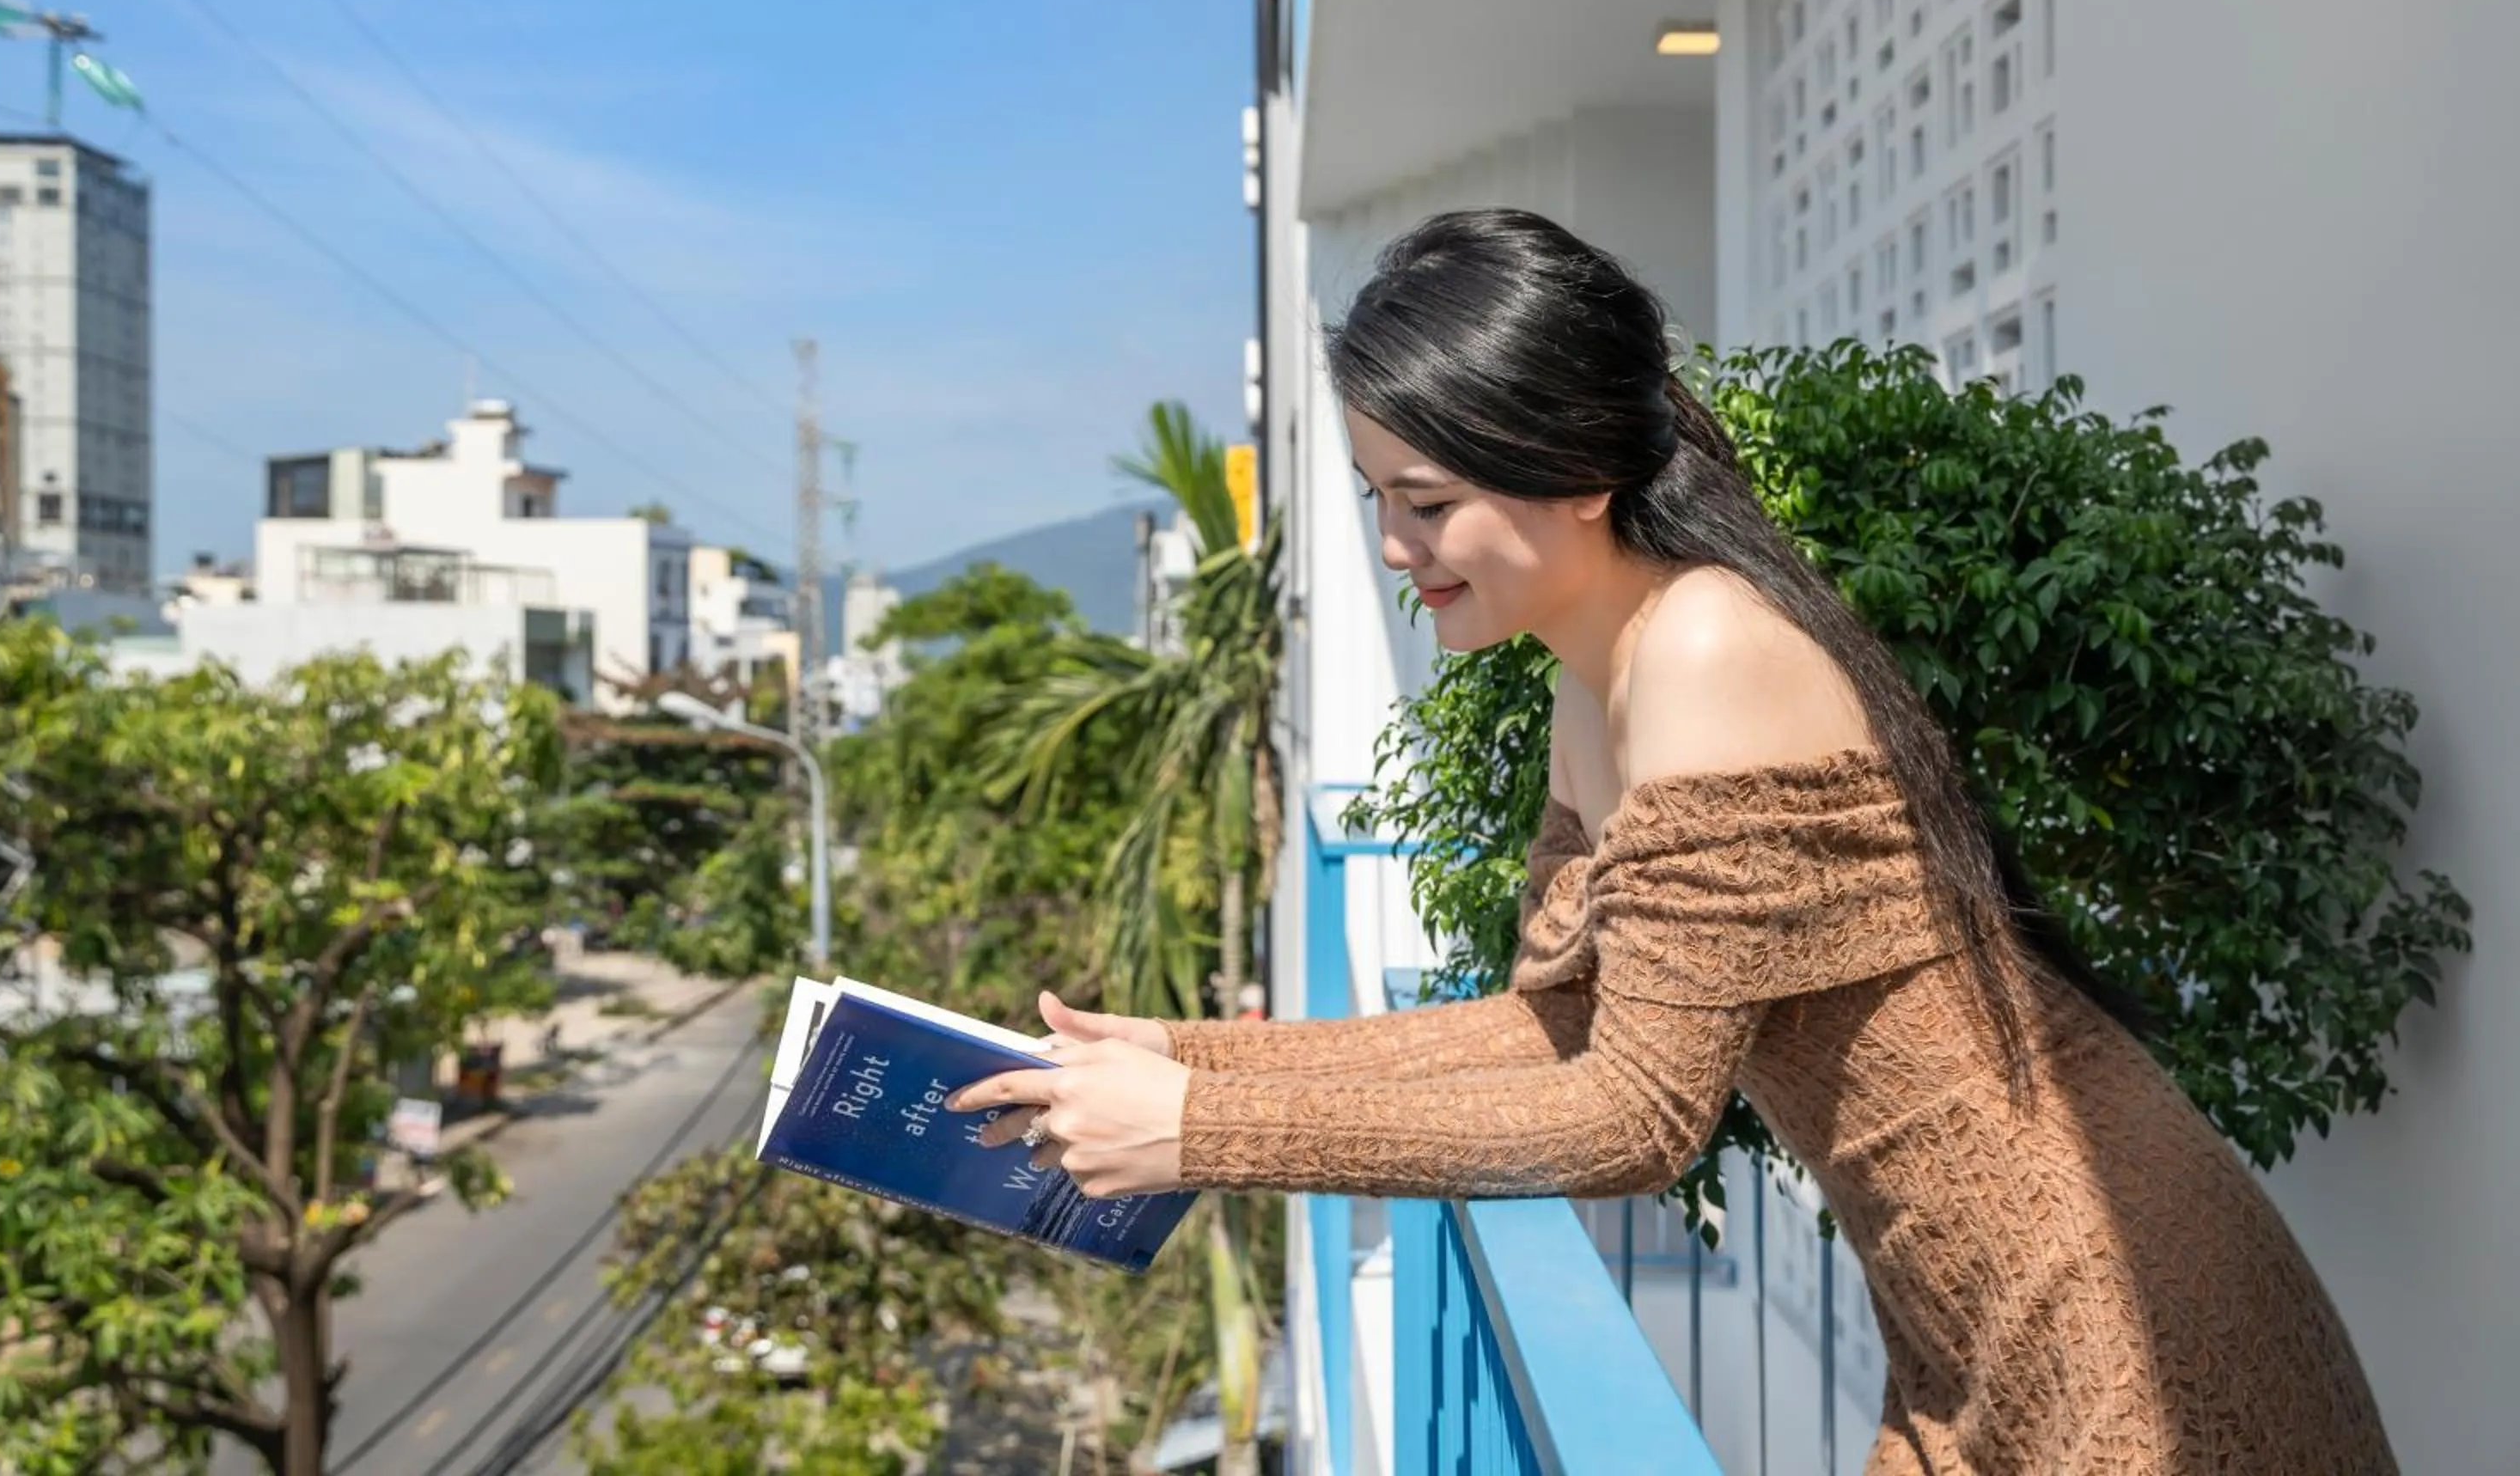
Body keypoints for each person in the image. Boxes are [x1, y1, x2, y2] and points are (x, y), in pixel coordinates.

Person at [948, 209, 2397, 1473]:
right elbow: (1552, 1032)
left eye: (1430, 503)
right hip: (1975, 1311)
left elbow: (1632, 1122)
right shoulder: (1606, 678)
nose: (1399, 551)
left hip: (2111, 1313)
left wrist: (1207, 1133)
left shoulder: (1703, 650)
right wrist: (1181, 1059)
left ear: (1576, 474)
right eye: (1383, 501)